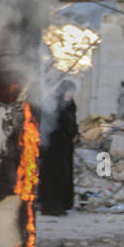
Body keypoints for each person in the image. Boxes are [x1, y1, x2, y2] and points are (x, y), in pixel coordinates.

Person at [40, 80, 78, 216]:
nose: (71, 95)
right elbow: (55, 123)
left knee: (63, 175)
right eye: (70, 92)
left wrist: (74, 134)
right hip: (53, 147)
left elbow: (72, 122)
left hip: (65, 146)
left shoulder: (70, 104)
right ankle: (51, 206)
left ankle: (63, 203)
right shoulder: (53, 103)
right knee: (53, 177)